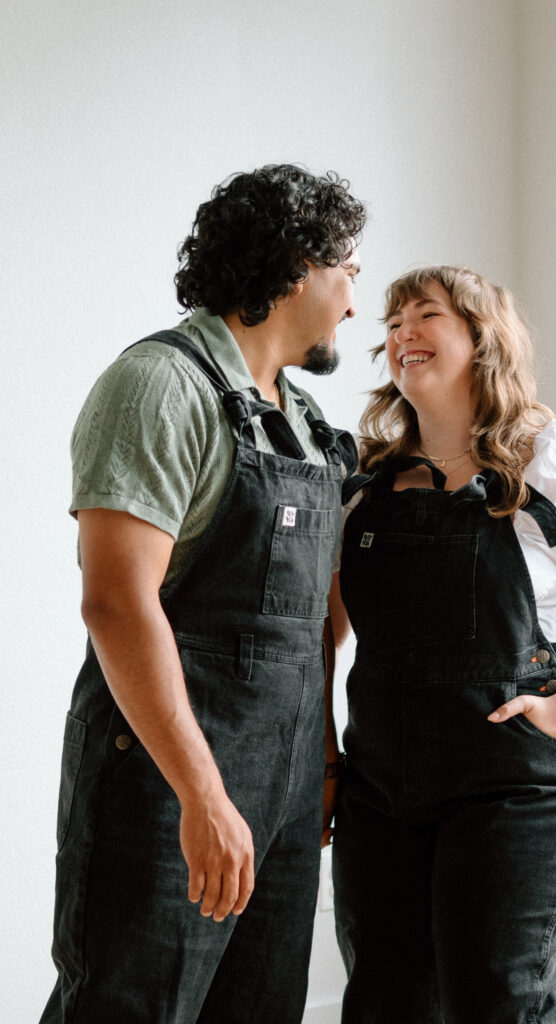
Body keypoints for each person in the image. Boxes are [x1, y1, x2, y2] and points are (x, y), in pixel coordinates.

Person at [41, 164, 365, 1024]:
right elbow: (116, 603)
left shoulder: (305, 423)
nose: (354, 307)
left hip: (290, 792)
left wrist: (323, 756)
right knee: (130, 1007)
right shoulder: (159, 385)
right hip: (166, 787)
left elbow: (311, 628)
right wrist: (203, 796)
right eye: (350, 276)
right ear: (300, 265)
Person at [328, 265, 556, 1024]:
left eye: (425, 315)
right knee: (385, 1001)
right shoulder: (368, 480)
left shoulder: (544, 455)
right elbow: (326, 628)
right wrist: (326, 753)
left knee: (498, 1002)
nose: (401, 333)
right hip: (381, 783)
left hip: (518, 783)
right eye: (392, 322)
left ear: (481, 339)